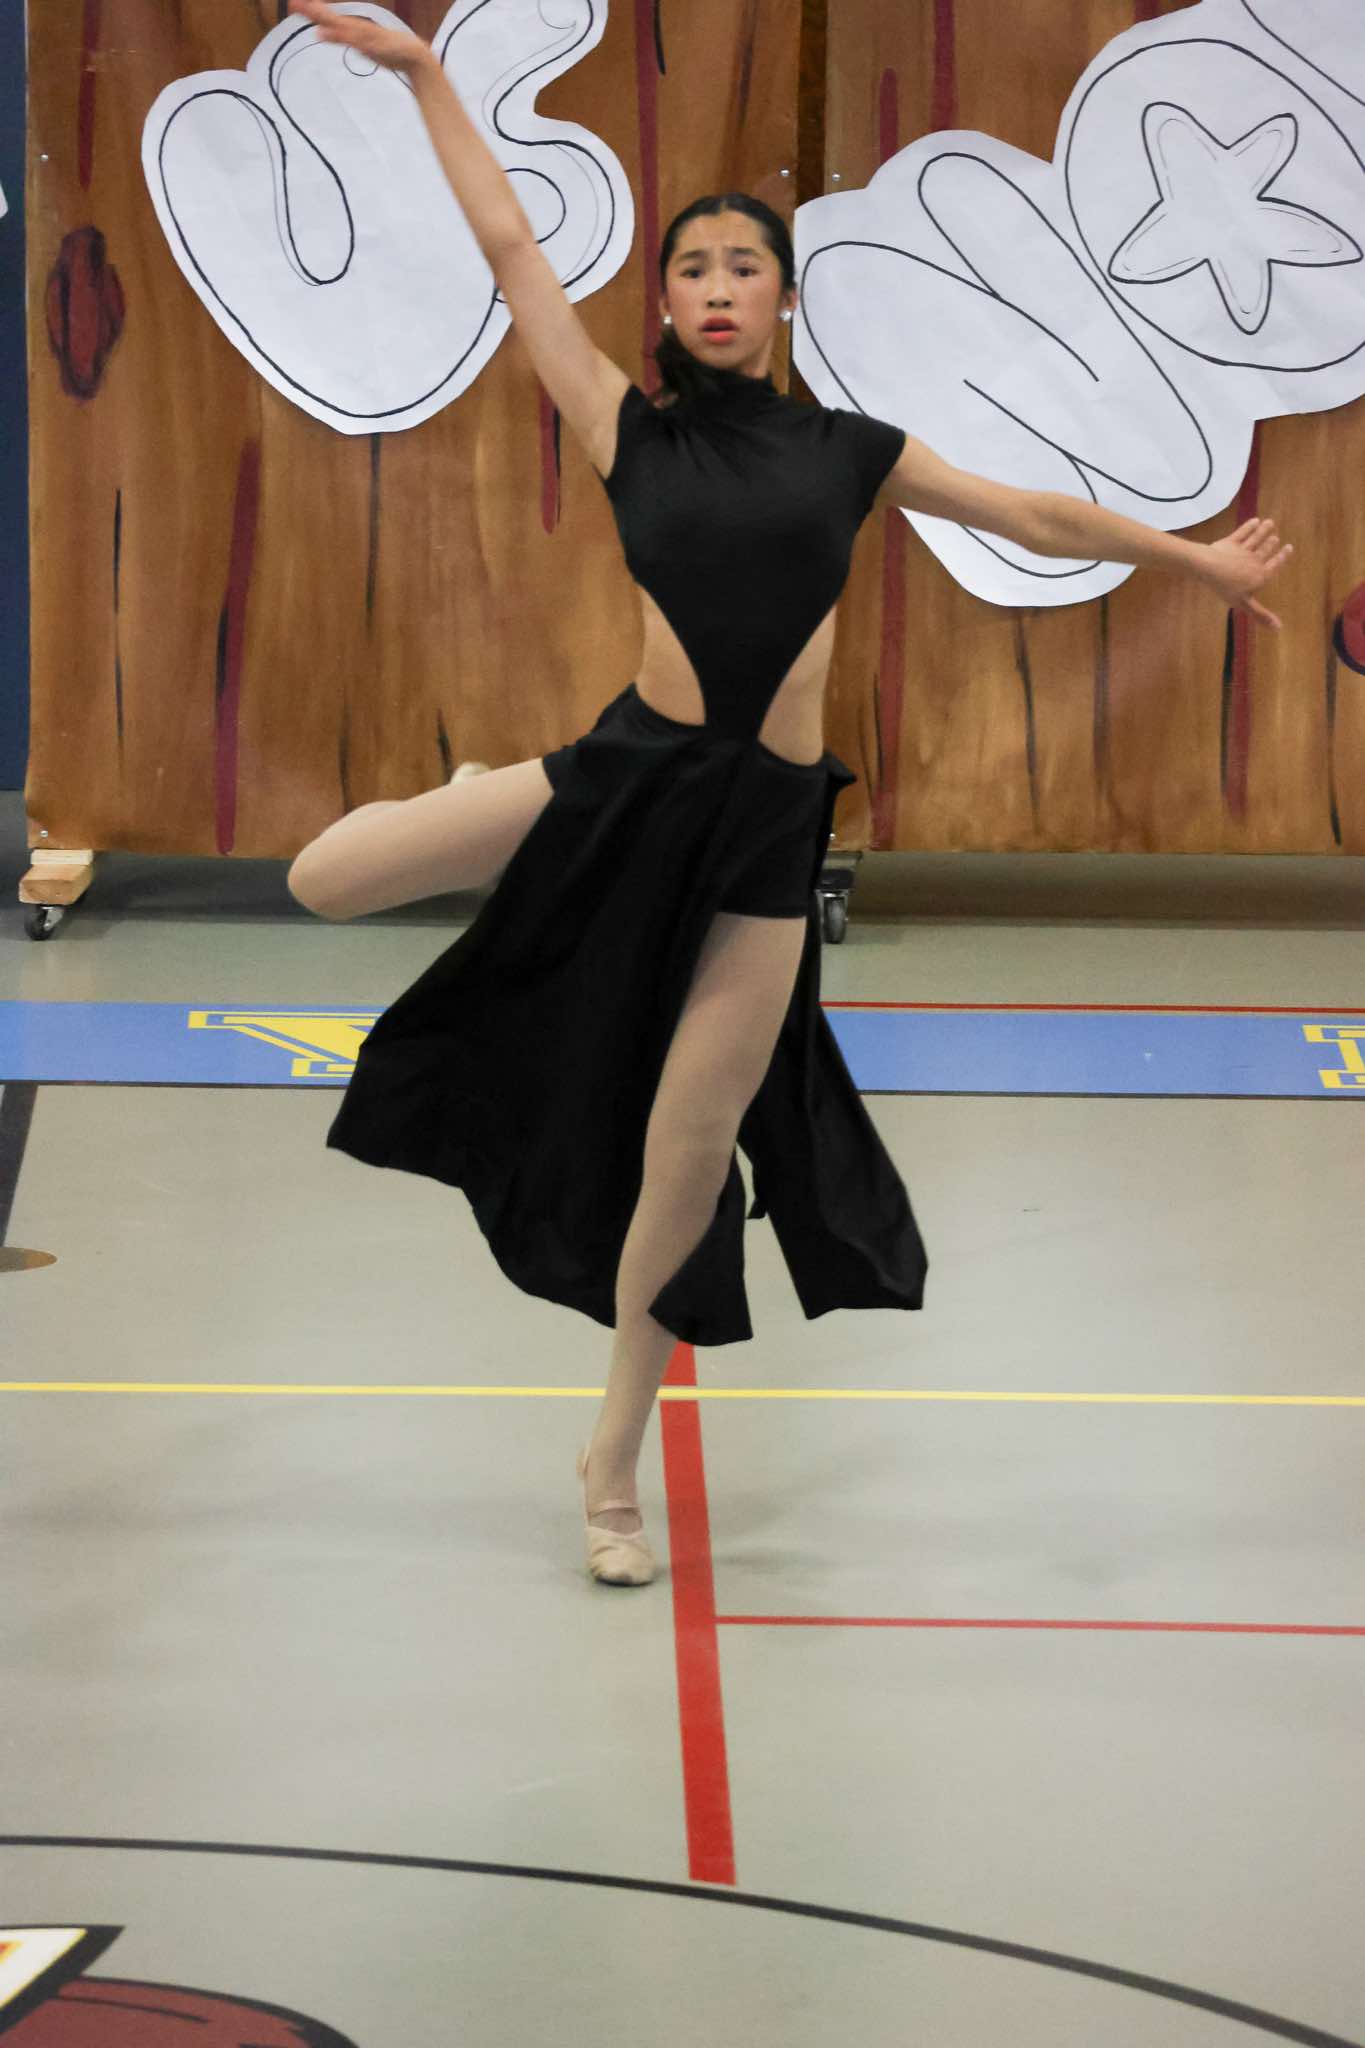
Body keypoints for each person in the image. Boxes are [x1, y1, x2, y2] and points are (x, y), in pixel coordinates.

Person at [284, 0, 1293, 1588]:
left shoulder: (847, 450)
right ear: (666, 305)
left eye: (740, 266)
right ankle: (482, 791)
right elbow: (509, 249)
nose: (713, 287)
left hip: (759, 830)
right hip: (627, 779)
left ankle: (611, 1461)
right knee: (321, 883)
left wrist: (1193, 561)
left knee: (689, 1151)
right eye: (689, 268)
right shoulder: (622, 429)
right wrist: (423, 74)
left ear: (782, 299)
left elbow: (1033, 515)